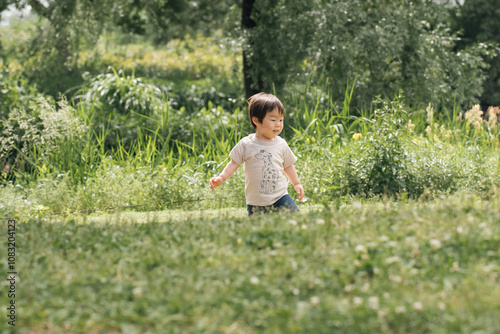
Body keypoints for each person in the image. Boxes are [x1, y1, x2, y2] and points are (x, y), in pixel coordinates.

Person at [210, 92, 304, 216]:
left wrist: (296, 183)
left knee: (295, 218)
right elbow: (233, 163)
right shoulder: (246, 144)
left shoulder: (281, 144)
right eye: (273, 119)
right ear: (256, 120)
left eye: (281, 120)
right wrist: (221, 178)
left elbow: (288, 166)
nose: (278, 124)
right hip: (256, 202)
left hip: (280, 197)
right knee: (260, 231)